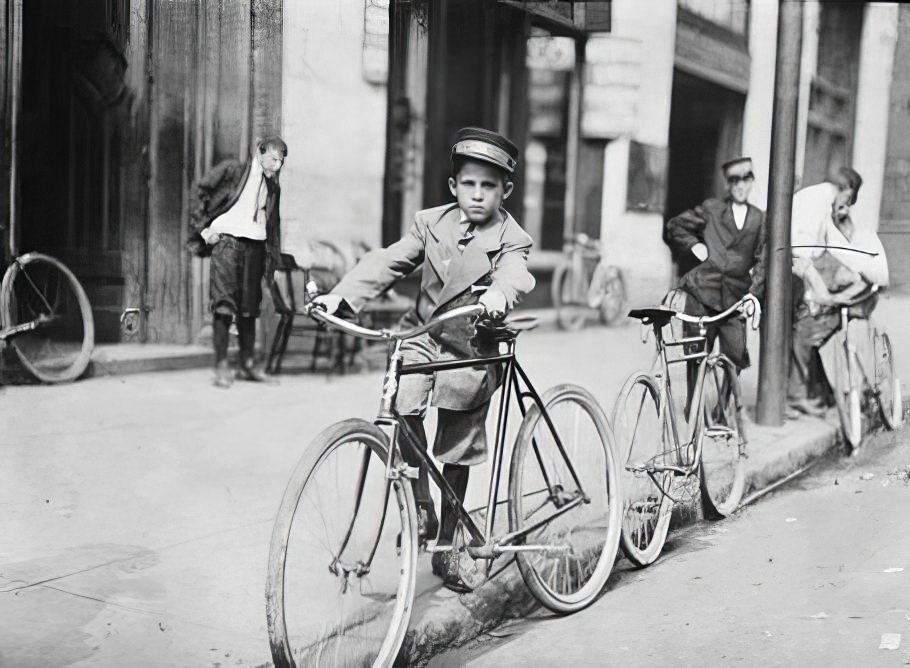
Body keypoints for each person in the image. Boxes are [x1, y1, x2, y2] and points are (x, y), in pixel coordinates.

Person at [313, 127, 534, 592]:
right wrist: (342, 297)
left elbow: (516, 272)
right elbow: (392, 260)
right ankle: (421, 504)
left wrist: (500, 291)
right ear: (453, 186)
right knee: (402, 406)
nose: (477, 195)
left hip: (470, 347)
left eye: (489, 186)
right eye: (469, 184)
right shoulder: (430, 222)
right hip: (423, 335)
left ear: (505, 190)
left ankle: (450, 546)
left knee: (455, 446)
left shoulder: (512, 236)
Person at [664, 157, 767, 408]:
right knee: (696, 355)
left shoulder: (760, 219)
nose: (741, 186)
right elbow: (675, 225)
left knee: (735, 356)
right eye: (734, 181)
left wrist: (754, 293)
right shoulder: (712, 209)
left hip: (735, 299)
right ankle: (693, 409)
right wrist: (695, 244)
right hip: (703, 293)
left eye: (745, 180)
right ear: (728, 185)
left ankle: (723, 412)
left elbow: (764, 259)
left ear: (752, 182)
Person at [187, 136, 288, 388]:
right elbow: (200, 190)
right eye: (273, 159)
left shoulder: (273, 188)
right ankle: (222, 365)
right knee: (223, 305)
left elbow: (273, 227)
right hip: (227, 244)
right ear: (259, 153)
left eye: (281, 162)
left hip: (255, 247)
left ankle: (247, 365)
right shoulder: (233, 171)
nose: (276, 166)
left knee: (249, 307)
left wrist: (271, 260)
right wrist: (204, 230)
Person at [787, 167, 889, 417]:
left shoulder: (823, 202)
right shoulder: (818, 201)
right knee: (805, 328)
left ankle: (818, 392)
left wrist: (861, 270)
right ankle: (798, 396)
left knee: (814, 327)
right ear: (844, 190)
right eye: (846, 200)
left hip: (812, 275)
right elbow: (804, 249)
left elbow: (836, 246)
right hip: (795, 272)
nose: (845, 207)